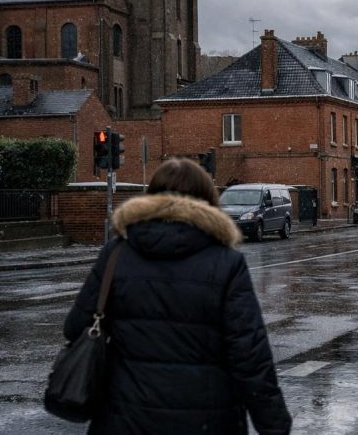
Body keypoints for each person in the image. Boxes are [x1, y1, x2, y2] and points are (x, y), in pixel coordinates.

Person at [62, 158, 292, 434]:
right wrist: (274, 425)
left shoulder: (116, 254)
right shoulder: (226, 263)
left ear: (151, 198)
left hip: (126, 415)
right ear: (208, 200)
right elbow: (251, 356)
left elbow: (76, 327)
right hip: (207, 418)